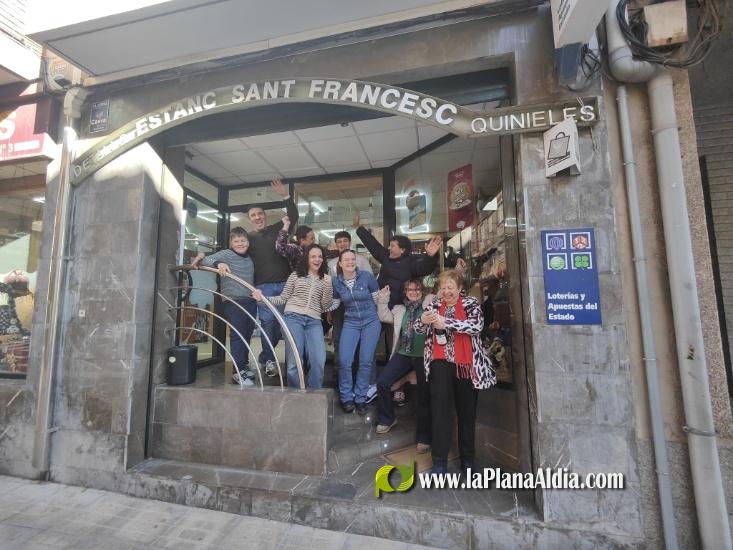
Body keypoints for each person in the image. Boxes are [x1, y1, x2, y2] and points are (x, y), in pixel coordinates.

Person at [415, 269, 496, 475]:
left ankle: (468, 462)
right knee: (440, 413)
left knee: (467, 414)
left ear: (460, 288)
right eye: (443, 287)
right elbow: (417, 329)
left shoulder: (471, 303)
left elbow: (476, 326)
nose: (447, 291)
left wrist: (446, 322)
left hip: (466, 365)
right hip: (440, 363)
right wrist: (422, 320)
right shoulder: (434, 305)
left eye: (450, 287)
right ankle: (439, 462)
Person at [252, 244, 332, 389]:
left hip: (314, 321)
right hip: (293, 318)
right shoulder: (296, 275)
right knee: (295, 361)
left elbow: (325, 306)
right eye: (313, 256)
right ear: (307, 259)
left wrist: (328, 287)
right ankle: (295, 393)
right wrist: (263, 298)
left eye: (320, 256)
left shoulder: (326, 279)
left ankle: (314, 393)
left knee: (319, 360)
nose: (317, 259)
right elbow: (282, 298)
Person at [246, 179, 299, 378]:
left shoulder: (277, 229)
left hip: (285, 285)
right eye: (253, 215)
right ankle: (269, 360)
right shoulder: (247, 239)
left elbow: (293, 216)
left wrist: (285, 195)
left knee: (284, 324)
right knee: (268, 324)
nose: (257, 217)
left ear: (265, 216)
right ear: (250, 219)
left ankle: (273, 358)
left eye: (260, 214)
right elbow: (235, 255)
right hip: (264, 288)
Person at [191, 227, 256, 386]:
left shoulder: (250, 257)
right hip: (233, 301)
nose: (240, 243)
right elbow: (206, 260)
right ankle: (238, 371)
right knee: (238, 335)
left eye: (243, 240)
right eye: (236, 241)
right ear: (231, 243)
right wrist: (218, 263)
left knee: (247, 334)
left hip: (249, 301)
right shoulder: (226, 254)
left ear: (248, 242)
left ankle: (243, 365)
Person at [375, 279, 433, 455]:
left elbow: (440, 294)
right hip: (403, 354)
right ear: (405, 292)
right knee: (382, 382)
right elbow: (383, 316)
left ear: (422, 291)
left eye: (417, 289)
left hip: (424, 356)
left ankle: (424, 437)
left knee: (423, 394)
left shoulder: (429, 304)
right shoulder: (400, 309)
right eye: (410, 289)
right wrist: (383, 298)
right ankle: (387, 418)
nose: (414, 292)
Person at [353, 212, 442, 308]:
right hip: (380, 304)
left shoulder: (411, 262)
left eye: (392, 246)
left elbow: (425, 268)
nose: (389, 248)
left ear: (402, 250)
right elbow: (373, 245)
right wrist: (359, 229)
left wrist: (430, 256)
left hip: (400, 308)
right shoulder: (386, 257)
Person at [330, 249, 381, 415]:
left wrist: (385, 297)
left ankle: (360, 398)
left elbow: (377, 300)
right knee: (344, 361)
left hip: (370, 321)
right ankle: (346, 398)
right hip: (350, 322)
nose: (350, 262)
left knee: (365, 361)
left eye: (353, 259)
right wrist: (321, 303)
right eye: (346, 259)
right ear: (340, 263)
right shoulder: (336, 282)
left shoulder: (367, 277)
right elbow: (334, 304)